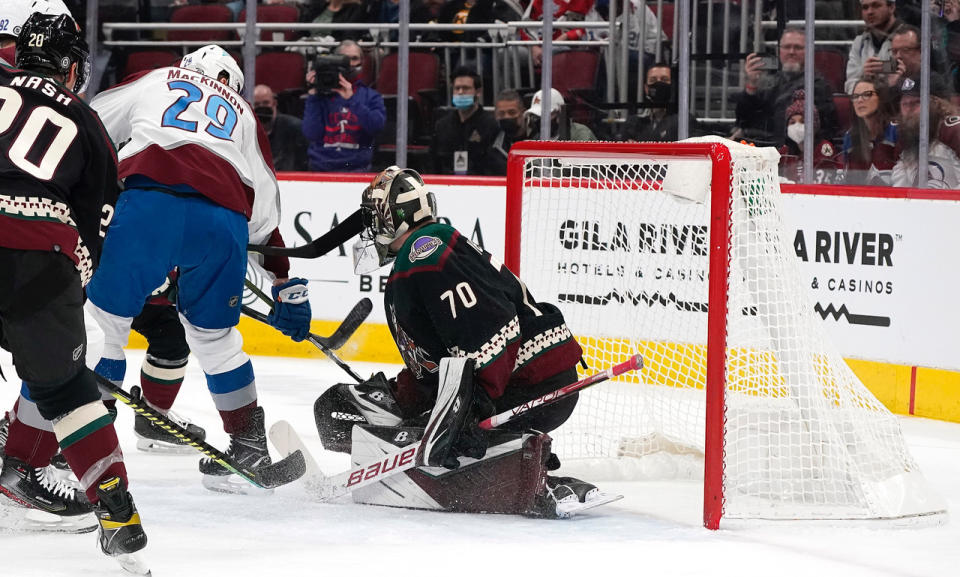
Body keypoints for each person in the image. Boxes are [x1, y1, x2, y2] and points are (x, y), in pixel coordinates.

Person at [313, 166, 610, 518]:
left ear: (393, 217)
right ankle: (521, 459)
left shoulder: (425, 252)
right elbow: (446, 353)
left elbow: (489, 326)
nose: (370, 227)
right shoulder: (422, 254)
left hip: (529, 383)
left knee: (446, 439)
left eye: (374, 216)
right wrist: (405, 398)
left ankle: (527, 471)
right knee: (359, 412)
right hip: (523, 379)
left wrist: (472, 406)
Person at [86, 44, 311, 494]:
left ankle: (85, 447)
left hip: (148, 205)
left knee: (104, 324)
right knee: (216, 340)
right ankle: (248, 446)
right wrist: (284, 283)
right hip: (223, 222)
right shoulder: (244, 113)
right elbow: (264, 213)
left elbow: (91, 123)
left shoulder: (158, 77)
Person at [0, 11, 149, 562]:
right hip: (39, 256)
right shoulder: (88, 124)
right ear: (69, 68)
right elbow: (96, 226)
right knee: (65, 391)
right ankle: (119, 515)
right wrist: (57, 306)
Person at [734, 26, 839, 146]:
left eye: (798, 48)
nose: (791, 52)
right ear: (779, 51)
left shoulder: (817, 85)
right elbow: (744, 119)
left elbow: (781, 122)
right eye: (787, 47)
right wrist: (751, 85)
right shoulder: (774, 81)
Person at [302, 40, 386, 172]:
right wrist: (313, 94)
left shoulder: (371, 96)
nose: (350, 64)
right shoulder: (319, 96)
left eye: (354, 58)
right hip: (321, 170)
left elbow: (376, 127)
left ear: (362, 63)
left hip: (358, 170)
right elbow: (311, 134)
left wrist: (352, 100)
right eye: (345, 59)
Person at [891, 76, 960, 188]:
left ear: (937, 104)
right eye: (904, 104)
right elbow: (900, 185)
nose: (909, 109)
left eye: (916, 102)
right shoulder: (905, 135)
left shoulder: (953, 130)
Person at [430, 67, 499, 175]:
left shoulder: (490, 125)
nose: (460, 92)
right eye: (457, 88)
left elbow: (494, 166)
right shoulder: (442, 126)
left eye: (466, 88)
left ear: (478, 92)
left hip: (480, 186)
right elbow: (434, 163)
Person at [622, 62, 700, 142]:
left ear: (672, 86)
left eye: (664, 80)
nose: (659, 84)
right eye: (653, 80)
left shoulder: (685, 121)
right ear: (646, 88)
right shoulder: (633, 123)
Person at [776, 90, 842, 184]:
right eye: (792, 122)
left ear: (813, 125)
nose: (797, 126)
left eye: (803, 121)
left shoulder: (824, 148)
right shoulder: (785, 152)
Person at [842, 77, 899, 184]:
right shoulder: (850, 137)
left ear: (881, 98)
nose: (859, 100)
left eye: (867, 94)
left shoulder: (896, 131)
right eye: (855, 96)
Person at [845, 0, 901, 93]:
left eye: (876, 6)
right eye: (865, 7)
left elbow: (914, 75)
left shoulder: (909, 37)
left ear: (891, 7)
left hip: (901, 104)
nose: (870, 12)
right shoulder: (859, 43)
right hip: (867, 102)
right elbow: (850, 84)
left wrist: (884, 67)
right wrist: (864, 78)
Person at [253, 84, 308, 172]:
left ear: (274, 103)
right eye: (257, 104)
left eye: (266, 103)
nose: (261, 107)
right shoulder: (247, 132)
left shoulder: (294, 128)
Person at [527, 88, 597, 141]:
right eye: (536, 116)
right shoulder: (535, 140)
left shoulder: (580, 136)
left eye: (546, 116)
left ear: (561, 113)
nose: (540, 120)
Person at [488, 89, 529, 176]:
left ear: (523, 112)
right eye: (501, 113)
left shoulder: (537, 140)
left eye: (512, 112)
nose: (507, 117)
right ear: (496, 116)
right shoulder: (492, 144)